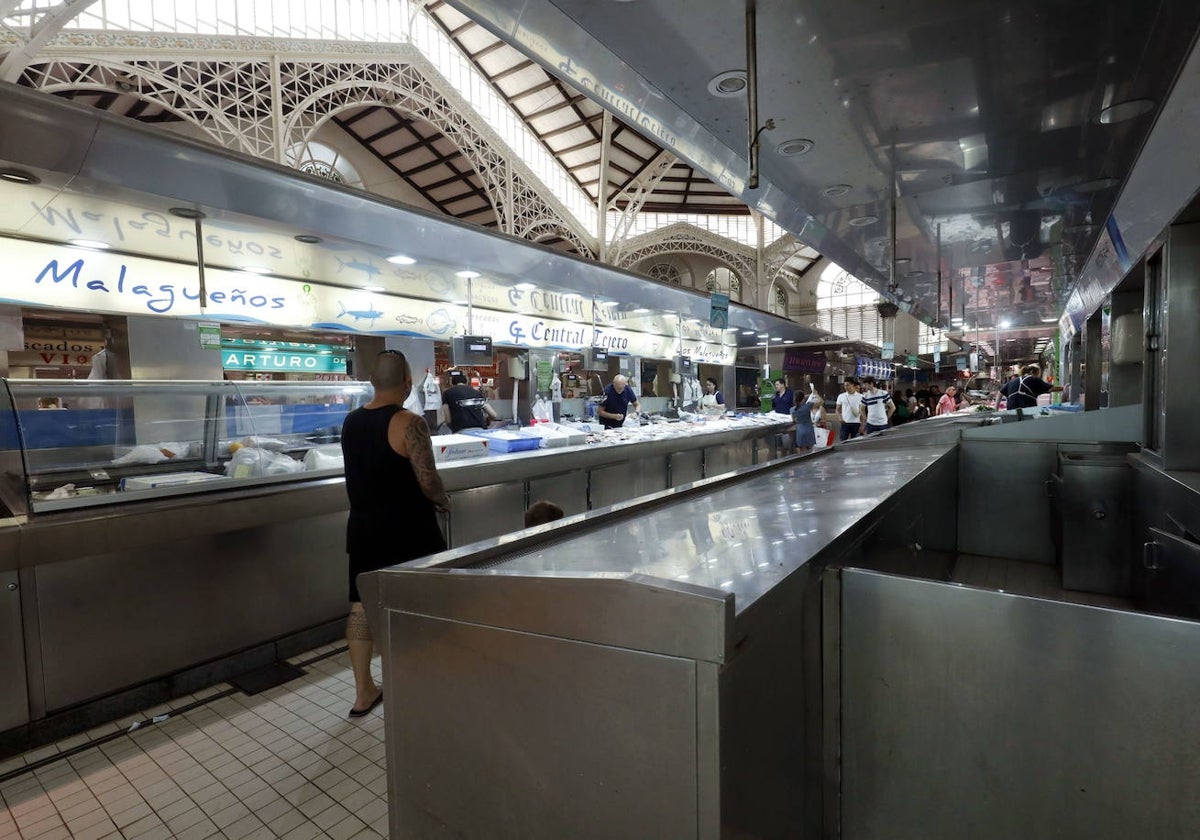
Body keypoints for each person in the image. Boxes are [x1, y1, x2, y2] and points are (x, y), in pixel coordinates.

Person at [341, 350, 450, 718]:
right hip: (409, 529)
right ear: (407, 383)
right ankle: (417, 680)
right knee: (418, 604)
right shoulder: (410, 423)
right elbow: (428, 479)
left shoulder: (351, 421)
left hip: (363, 528)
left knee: (360, 606)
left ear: (374, 381)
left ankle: (362, 693)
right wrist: (442, 499)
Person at [793, 384, 822, 452]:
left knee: (802, 451)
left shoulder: (792, 409)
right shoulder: (808, 406)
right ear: (803, 399)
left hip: (800, 430)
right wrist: (815, 394)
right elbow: (821, 401)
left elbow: (794, 420)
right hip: (809, 429)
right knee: (811, 449)